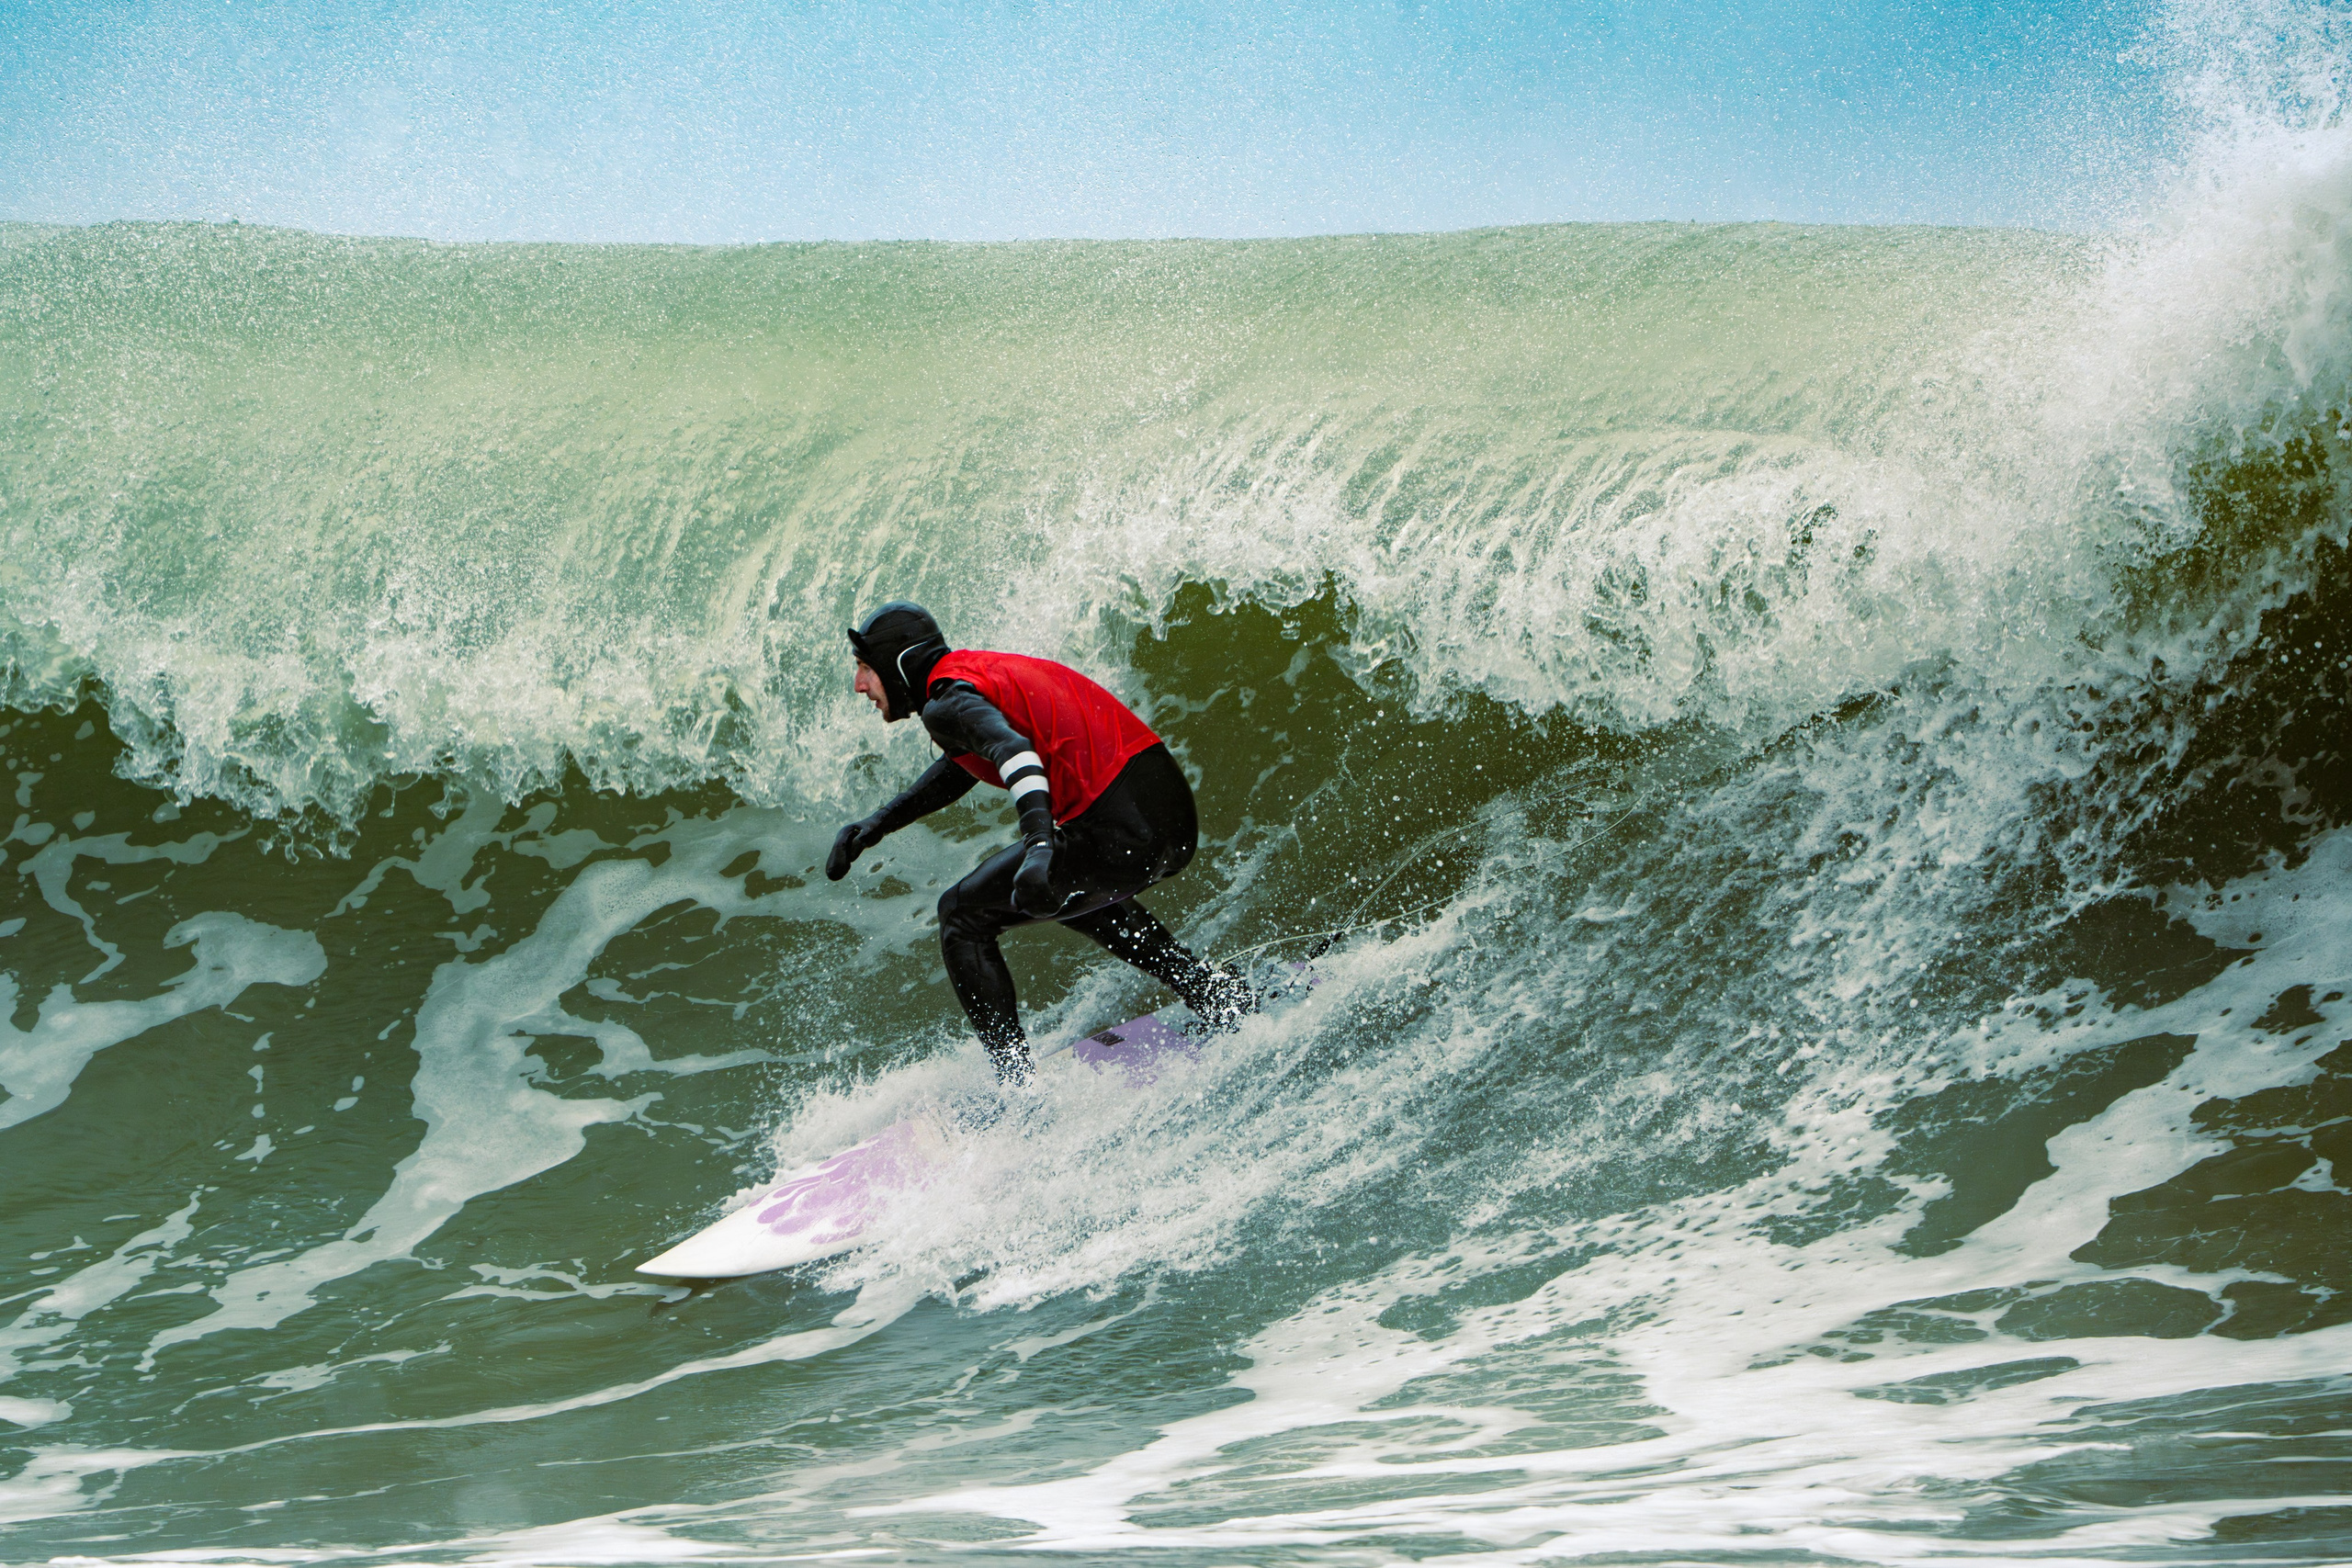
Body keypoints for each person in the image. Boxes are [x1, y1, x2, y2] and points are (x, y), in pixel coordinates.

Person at [824, 601, 1252, 1082]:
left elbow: (1013, 752)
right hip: (1166, 815)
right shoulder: (969, 678)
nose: (859, 684)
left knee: (962, 916)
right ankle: (1216, 996)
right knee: (1076, 890)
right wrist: (877, 824)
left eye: (864, 667)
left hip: (1122, 826)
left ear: (897, 664)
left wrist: (1039, 847)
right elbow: (961, 766)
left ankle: (1017, 1091)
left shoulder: (948, 701)